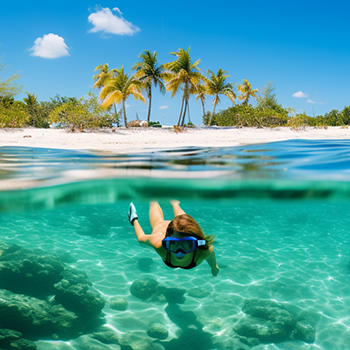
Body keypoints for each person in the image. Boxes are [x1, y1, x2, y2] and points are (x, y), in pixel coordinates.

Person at [128, 200, 219, 276]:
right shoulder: (159, 242)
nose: (179, 250)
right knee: (160, 223)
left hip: (177, 234)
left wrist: (214, 267)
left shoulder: (204, 250)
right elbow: (141, 238)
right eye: (174, 243)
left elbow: (211, 259)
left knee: (183, 222)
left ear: (197, 243)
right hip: (164, 229)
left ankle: (174, 203)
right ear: (166, 241)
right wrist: (133, 219)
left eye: (187, 244)